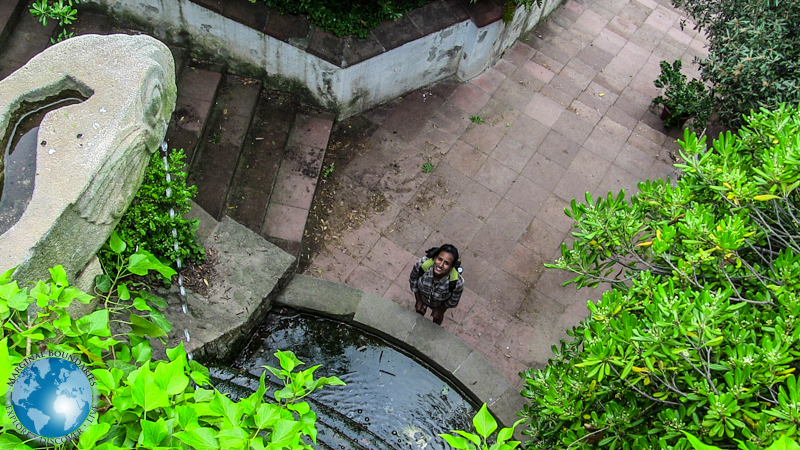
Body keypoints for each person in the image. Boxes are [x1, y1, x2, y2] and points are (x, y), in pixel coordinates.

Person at [409, 244, 464, 325]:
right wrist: (419, 300)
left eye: (447, 263)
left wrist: (440, 310)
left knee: (437, 318)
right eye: (439, 259)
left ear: (452, 267)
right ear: (434, 257)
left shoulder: (457, 283)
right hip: (422, 297)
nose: (440, 265)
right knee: (419, 312)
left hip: (439, 304)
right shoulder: (421, 265)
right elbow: (413, 280)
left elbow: (453, 301)